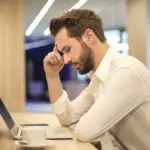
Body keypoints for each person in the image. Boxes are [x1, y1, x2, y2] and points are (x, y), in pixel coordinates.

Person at [43, 9, 150, 150]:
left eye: (68, 49)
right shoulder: (99, 78)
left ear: (89, 36)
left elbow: (85, 132)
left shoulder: (125, 72)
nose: (66, 59)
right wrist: (52, 76)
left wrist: (84, 123)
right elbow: (67, 117)